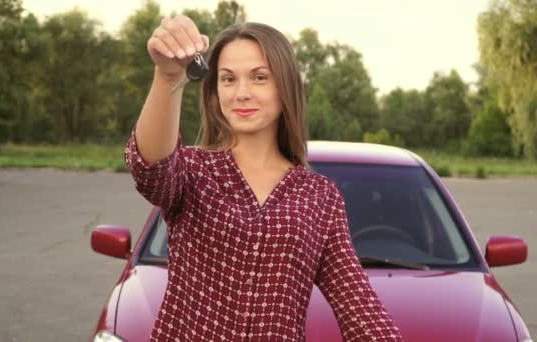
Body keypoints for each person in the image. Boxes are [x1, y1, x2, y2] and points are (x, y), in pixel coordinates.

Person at [124, 15, 404, 342]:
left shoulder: (320, 198)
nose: (241, 93)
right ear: (214, 94)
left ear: (284, 87)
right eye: (228, 79)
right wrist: (168, 76)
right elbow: (150, 168)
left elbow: (360, 309)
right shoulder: (193, 172)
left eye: (259, 77)